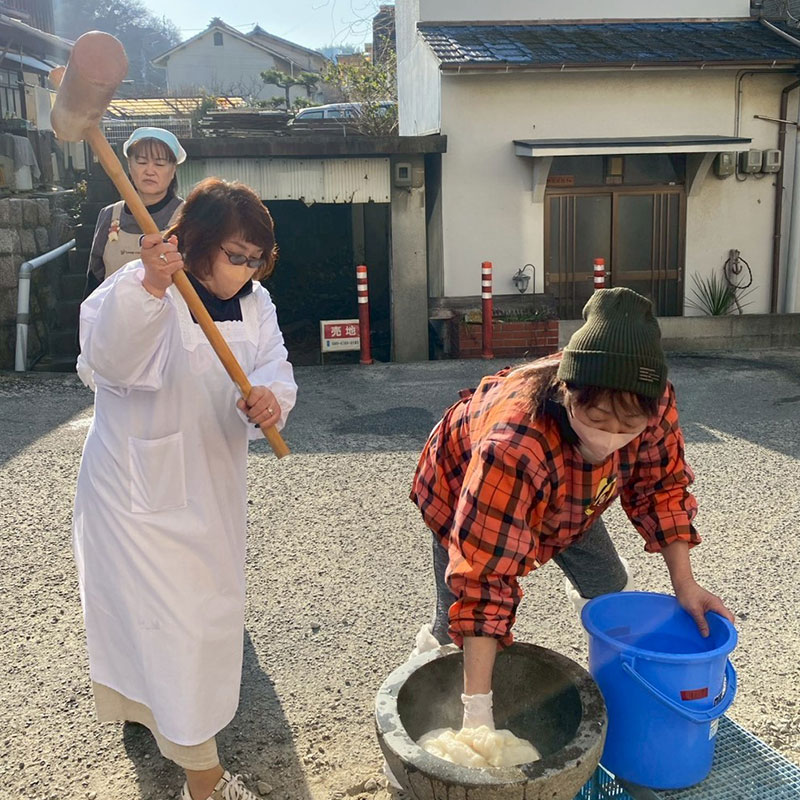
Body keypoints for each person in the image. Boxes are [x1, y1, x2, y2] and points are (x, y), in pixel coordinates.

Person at [409, 287, 735, 730]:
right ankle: (431, 713)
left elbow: (662, 487)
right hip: (463, 489)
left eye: (629, 427)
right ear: (568, 392)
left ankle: (619, 679)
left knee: (609, 582)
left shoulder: (650, 401)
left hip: (577, 493)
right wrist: (478, 713)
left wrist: (686, 585)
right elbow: (484, 577)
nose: (612, 436)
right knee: (457, 624)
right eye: (599, 421)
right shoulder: (513, 444)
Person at [73, 178, 297, 800]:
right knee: (175, 624)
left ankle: (152, 715)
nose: (247, 270)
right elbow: (109, 364)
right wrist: (148, 287)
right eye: (236, 255)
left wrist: (270, 399)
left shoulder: (257, 303)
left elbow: (276, 365)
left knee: (198, 616)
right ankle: (205, 777)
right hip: (134, 494)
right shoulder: (146, 287)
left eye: (257, 259)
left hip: (210, 484)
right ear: (195, 245)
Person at [84, 127, 186, 295]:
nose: (150, 171)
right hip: (115, 318)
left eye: (159, 163)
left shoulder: (187, 216)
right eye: (141, 162)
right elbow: (95, 279)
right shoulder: (109, 215)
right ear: (129, 165)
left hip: (168, 319)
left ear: (173, 169)